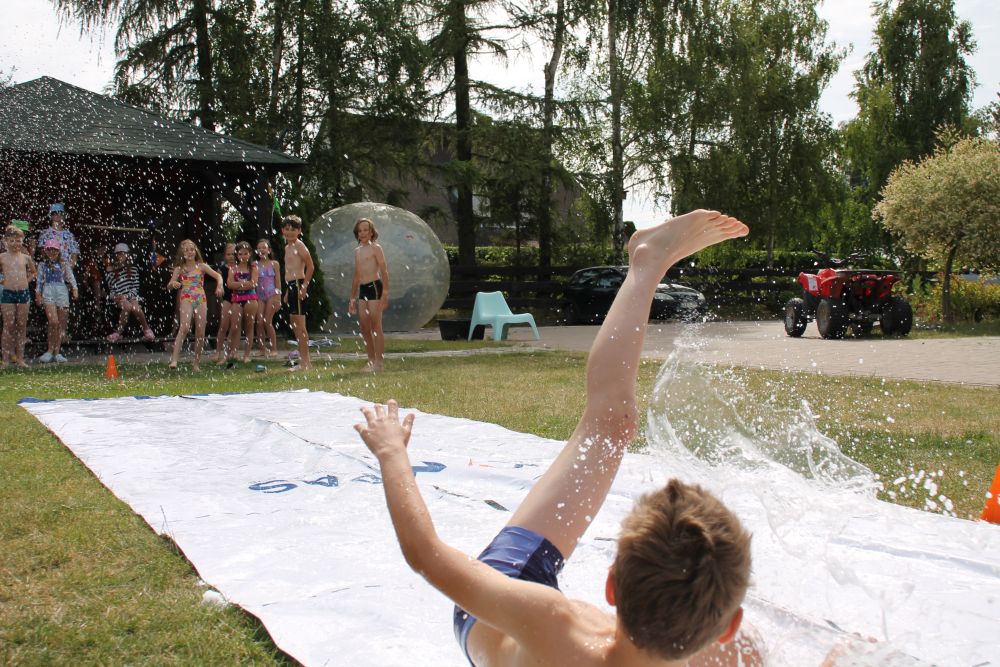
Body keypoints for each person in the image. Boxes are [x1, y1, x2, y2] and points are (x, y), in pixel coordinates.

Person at [354, 210, 760, 667]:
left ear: (610, 585)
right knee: (745, 652)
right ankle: (647, 263)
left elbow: (426, 554)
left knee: (609, 425)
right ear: (729, 625)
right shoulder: (727, 651)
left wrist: (392, 454)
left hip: (496, 610)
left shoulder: (549, 618)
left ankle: (647, 265)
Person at [166, 239, 224, 371]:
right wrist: (173, 284)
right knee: (184, 327)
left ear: (196, 251)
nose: (189, 252)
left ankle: (196, 363)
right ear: (182, 254)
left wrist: (219, 286)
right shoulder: (179, 269)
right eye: (186, 250)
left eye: (191, 249)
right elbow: (169, 285)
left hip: (200, 298)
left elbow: (218, 276)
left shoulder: (201, 266)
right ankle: (174, 360)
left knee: (200, 331)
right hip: (186, 298)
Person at [347, 217, 389, 372]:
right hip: (363, 289)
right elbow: (357, 275)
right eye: (360, 231)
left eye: (366, 230)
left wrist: (385, 292)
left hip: (374, 287)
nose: (363, 233)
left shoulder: (376, 248)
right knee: (365, 327)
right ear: (357, 234)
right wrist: (352, 297)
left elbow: (384, 270)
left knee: (376, 325)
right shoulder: (357, 251)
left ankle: (379, 363)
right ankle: (371, 361)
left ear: (371, 232)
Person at [37, 203, 80, 345]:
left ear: (64, 216)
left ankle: (61, 337)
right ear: (51, 216)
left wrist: (67, 270)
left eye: (60, 213)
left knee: (63, 309)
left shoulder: (69, 235)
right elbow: (42, 254)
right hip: (50, 275)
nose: (57, 216)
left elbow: (74, 255)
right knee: (51, 309)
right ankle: (51, 340)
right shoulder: (45, 233)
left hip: (65, 276)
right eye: (55, 213)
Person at [35, 238, 78, 363]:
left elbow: (70, 277)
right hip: (48, 290)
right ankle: (49, 350)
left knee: (60, 323)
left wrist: (75, 289)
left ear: (58, 251)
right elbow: (39, 281)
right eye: (49, 250)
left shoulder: (63, 263)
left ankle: (57, 352)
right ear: (45, 251)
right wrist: (38, 294)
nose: (52, 252)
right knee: (53, 322)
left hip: (61, 291)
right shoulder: (42, 265)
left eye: (54, 250)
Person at [1, 225, 37, 368]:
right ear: (6, 241)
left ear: (22, 241)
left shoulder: (26, 258)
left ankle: (21, 359)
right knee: (8, 325)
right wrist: (2, 281)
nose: (15, 243)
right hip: (8, 293)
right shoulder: (2, 257)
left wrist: (26, 281)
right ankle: (5, 359)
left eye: (18, 240)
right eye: (12, 241)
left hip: (23, 293)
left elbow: (34, 272)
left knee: (22, 325)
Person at [281, 215, 314, 371]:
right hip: (291, 285)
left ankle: (305, 362)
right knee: (294, 324)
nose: (289, 232)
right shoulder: (286, 247)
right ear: (282, 230)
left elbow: (310, 266)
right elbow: (289, 271)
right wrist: (288, 291)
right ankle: (303, 360)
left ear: (299, 230)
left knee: (300, 326)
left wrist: (304, 286)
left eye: (293, 229)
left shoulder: (299, 245)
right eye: (287, 229)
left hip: (299, 284)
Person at [105, 243, 155, 343]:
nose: (121, 256)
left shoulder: (133, 269)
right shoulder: (111, 273)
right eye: (119, 254)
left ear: (127, 255)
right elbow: (110, 290)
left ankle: (147, 329)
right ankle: (118, 332)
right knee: (127, 306)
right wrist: (115, 297)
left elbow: (135, 288)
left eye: (123, 253)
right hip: (119, 298)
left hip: (132, 296)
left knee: (135, 307)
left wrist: (127, 296)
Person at [227, 240, 260, 364]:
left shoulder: (253, 268)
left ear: (250, 254)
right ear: (237, 255)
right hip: (237, 299)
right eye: (240, 254)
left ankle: (246, 355)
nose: (243, 256)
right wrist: (244, 284)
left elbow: (253, 283)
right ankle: (232, 353)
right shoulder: (233, 269)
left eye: (245, 253)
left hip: (251, 299)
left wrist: (238, 285)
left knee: (249, 326)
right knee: (234, 327)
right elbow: (230, 284)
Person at [254, 238, 281, 358]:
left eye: (264, 247)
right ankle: (262, 349)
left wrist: (278, 298)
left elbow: (278, 282)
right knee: (259, 322)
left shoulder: (274, 264)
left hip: (271, 294)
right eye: (259, 248)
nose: (261, 250)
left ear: (269, 250)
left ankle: (274, 348)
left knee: (267, 321)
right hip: (259, 295)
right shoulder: (254, 265)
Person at [214, 242, 237, 365]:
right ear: (224, 255)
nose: (231, 256)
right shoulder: (222, 269)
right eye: (228, 254)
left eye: (233, 254)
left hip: (238, 298)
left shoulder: (240, 267)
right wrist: (219, 288)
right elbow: (219, 282)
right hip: (227, 298)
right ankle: (218, 351)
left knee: (235, 327)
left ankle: (232, 351)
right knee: (223, 326)